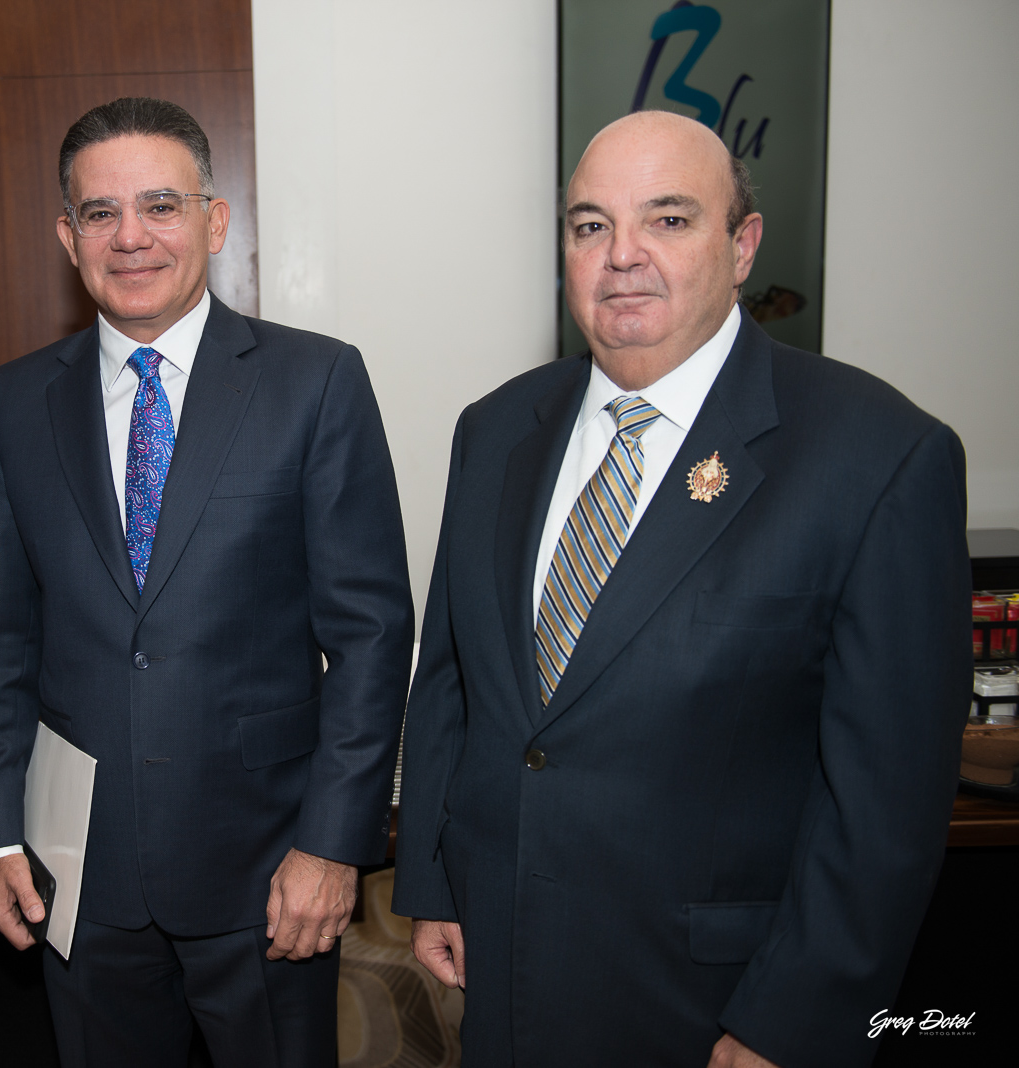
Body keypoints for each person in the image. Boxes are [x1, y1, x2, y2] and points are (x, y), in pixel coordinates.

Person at [392, 110, 968, 1068]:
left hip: (716, 1006)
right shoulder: (494, 430)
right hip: (506, 971)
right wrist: (433, 880)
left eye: (667, 220)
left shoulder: (878, 455)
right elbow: (452, 677)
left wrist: (794, 1018)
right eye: (590, 226)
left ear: (741, 247)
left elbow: (888, 802)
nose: (622, 256)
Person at [0, 97, 413, 1067]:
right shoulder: (13, 402)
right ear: (66, 234)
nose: (131, 238)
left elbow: (370, 636)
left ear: (212, 219)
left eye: (159, 206)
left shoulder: (315, 382)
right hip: (77, 875)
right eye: (100, 213)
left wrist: (333, 846)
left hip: (270, 872)